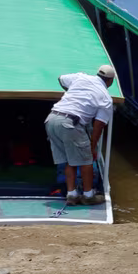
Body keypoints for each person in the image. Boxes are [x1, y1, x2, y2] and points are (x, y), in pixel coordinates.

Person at [46, 63, 116, 205]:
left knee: (69, 159)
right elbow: (98, 126)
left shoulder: (80, 77)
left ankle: (71, 195)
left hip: (51, 119)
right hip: (70, 123)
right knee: (86, 160)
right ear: (110, 81)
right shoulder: (105, 98)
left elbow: (61, 79)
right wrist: (92, 147)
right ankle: (88, 196)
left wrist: (75, 94)